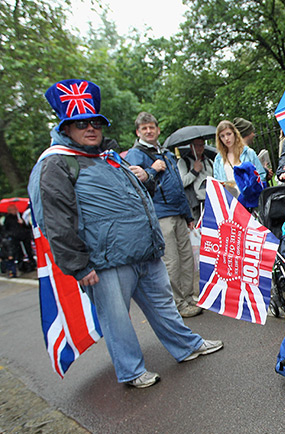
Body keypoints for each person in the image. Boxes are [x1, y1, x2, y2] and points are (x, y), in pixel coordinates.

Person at [28, 79, 222, 388]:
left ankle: (186, 346)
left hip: (144, 252)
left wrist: (151, 177)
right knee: (116, 320)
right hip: (105, 262)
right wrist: (78, 265)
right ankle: (131, 371)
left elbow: (138, 196)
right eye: (80, 123)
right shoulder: (54, 163)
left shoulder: (108, 157)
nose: (90, 128)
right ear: (65, 128)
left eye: (95, 122)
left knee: (165, 307)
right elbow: (54, 220)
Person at [126, 112, 202, 319]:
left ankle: (188, 297)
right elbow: (133, 186)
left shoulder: (167, 153)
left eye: (152, 127)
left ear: (158, 130)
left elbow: (178, 187)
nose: (149, 131)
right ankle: (177, 303)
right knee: (172, 260)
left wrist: (188, 215)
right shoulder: (136, 155)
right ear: (138, 132)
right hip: (160, 215)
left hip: (178, 212)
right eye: (144, 128)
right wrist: (151, 169)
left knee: (186, 259)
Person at [213, 120, 266, 200]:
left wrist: (252, 188)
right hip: (231, 200)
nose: (226, 138)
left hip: (250, 199)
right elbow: (217, 183)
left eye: (229, 134)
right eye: (222, 136)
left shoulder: (248, 152)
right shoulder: (218, 159)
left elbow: (261, 175)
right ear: (219, 139)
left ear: (235, 133)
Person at [177, 137, 214, 222]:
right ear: (191, 146)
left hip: (209, 202)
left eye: (201, 145)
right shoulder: (184, 162)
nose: (199, 148)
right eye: (197, 145)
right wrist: (194, 171)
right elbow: (182, 183)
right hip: (194, 204)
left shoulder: (209, 162)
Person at [232, 117, 268, 184]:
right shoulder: (249, 152)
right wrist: (266, 172)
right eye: (252, 132)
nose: (254, 135)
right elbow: (261, 177)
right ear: (247, 133)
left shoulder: (224, 155)